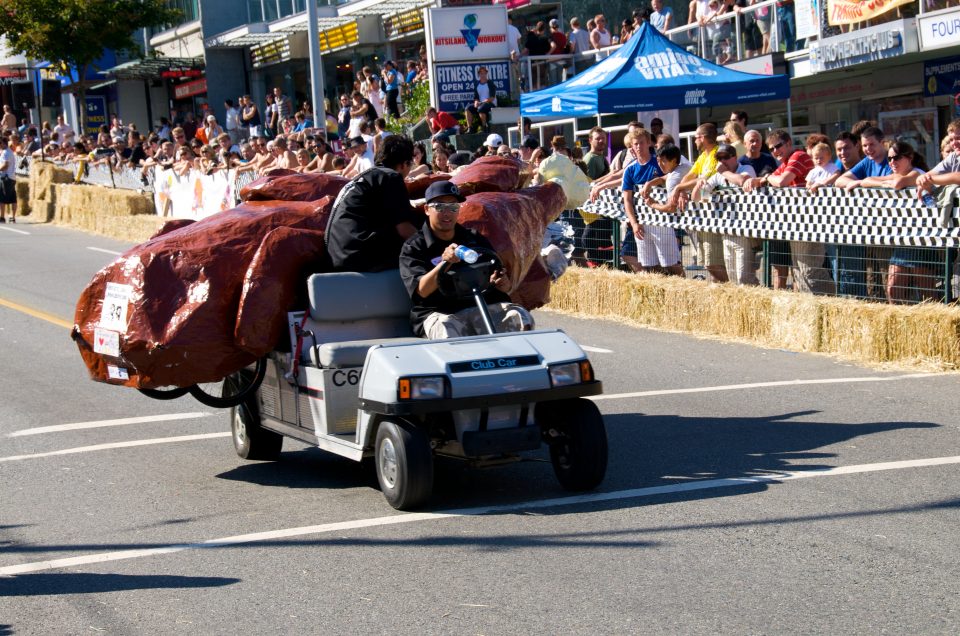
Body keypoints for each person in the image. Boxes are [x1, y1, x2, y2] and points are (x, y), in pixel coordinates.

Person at [400, 180, 532, 339]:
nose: (447, 213)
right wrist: (445, 263)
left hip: (479, 306)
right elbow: (421, 291)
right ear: (427, 209)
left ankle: (515, 362)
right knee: (448, 330)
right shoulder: (414, 247)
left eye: (453, 207)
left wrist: (502, 283)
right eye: (440, 207)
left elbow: (498, 276)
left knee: (520, 316)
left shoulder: (474, 238)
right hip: (439, 312)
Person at [744, 129, 833, 295]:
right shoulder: (785, 162)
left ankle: (827, 304)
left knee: (809, 269)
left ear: (789, 143)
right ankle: (814, 306)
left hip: (809, 222)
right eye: (771, 149)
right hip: (798, 223)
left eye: (778, 146)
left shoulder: (798, 156)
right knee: (800, 270)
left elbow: (782, 181)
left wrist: (767, 177)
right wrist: (753, 180)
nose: (775, 151)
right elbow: (768, 180)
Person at [324, 135, 421, 272]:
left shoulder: (361, 178)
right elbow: (404, 229)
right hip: (360, 255)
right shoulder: (391, 177)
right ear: (403, 164)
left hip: (335, 256)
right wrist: (435, 249)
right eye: (410, 164)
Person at [692, 144, 758, 285]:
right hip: (726, 231)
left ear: (735, 158)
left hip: (744, 232)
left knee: (744, 276)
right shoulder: (718, 176)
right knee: (733, 277)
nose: (722, 161)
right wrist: (700, 184)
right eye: (719, 158)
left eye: (726, 158)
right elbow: (698, 198)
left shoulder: (746, 168)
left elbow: (742, 181)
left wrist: (723, 172)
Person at [621, 129, 664, 273]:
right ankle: (646, 280)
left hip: (661, 221)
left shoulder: (659, 163)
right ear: (632, 147)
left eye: (641, 143)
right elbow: (627, 200)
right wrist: (633, 223)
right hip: (639, 221)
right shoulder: (630, 169)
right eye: (635, 144)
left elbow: (673, 179)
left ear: (649, 143)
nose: (638, 146)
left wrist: (652, 182)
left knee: (664, 263)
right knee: (627, 254)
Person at [465, 67, 497, 134]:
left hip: (491, 103)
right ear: (479, 75)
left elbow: (492, 98)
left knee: (481, 108)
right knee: (468, 108)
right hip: (481, 103)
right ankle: (470, 128)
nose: (483, 75)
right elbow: (476, 97)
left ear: (486, 74)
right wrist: (476, 102)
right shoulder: (477, 84)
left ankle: (484, 128)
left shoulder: (490, 83)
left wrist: (481, 103)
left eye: (484, 73)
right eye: (481, 73)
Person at [0, 136, 16, 223]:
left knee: (2, 197)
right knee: (13, 198)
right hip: (12, 177)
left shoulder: (5, 152)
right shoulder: (10, 152)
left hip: (6, 177)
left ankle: (2, 217)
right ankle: (13, 217)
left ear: (3, 143)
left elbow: (5, 165)